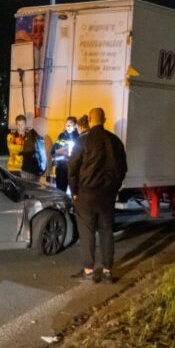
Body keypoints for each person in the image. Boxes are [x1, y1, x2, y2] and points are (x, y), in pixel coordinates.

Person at [68, 107, 127, 284]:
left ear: (91, 120)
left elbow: (73, 168)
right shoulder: (116, 142)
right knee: (106, 231)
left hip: (86, 194)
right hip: (107, 195)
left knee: (86, 233)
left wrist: (75, 191)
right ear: (105, 119)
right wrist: (114, 189)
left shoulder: (83, 141)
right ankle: (108, 271)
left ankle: (89, 270)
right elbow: (122, 169)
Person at [51, 116, 79, 193]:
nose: (68, 127)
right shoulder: (61, 136)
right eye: (67, 125)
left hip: (73, 170)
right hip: (61, 168)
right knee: (60, 192)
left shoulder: (79, 137)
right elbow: (54, 150)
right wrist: (57, 154)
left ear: (75, 126)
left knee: (74, 193)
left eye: (70, 125)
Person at [21, 117, 48, 182]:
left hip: (33, 171)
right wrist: (40, 169)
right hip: (31, 172)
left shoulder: (39, 136)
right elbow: (31, 154)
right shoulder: (32, 137)